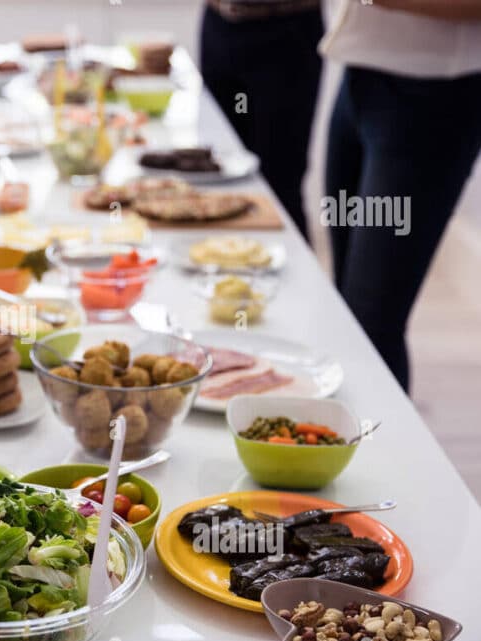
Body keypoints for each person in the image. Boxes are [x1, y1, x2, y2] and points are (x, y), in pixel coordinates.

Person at [322, 0, 481, 391]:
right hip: (360, 81)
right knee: (349, 313)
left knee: (372, 321)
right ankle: (343, 447)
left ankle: (385, 451)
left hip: (429, 102)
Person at [199, 0, 324, 240]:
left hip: (286, 31)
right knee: (215, 173)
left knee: (280, 183)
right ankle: (221, 266)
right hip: (219, 23)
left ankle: (294, 273)